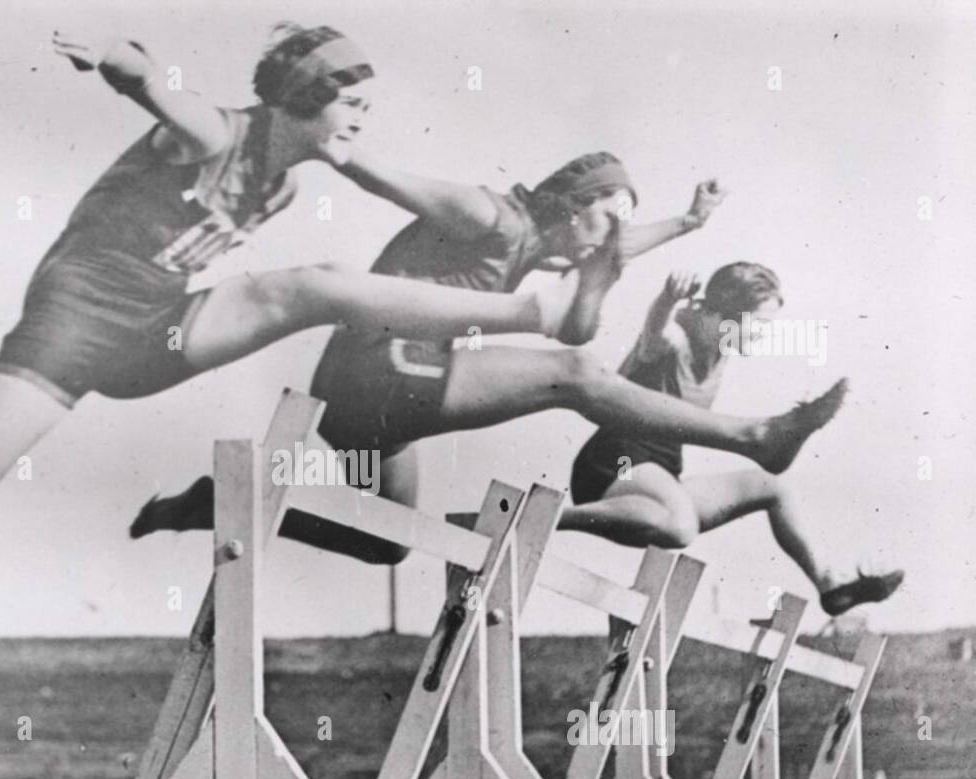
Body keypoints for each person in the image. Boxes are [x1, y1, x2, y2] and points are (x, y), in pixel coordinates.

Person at [0, 24, 602, 588]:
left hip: (162, 326)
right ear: (307, 101)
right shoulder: (218, 133)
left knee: (310, 289)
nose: (363, 122)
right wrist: (121, 63)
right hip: (73, 321)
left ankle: (525, 318)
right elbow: (155, 88)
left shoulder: (283, 190)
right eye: (353, 106)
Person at [131, 153, 847, 564]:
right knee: (575, 375)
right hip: (379, 370)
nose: (609, 246)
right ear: (571, 206)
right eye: (607, 221)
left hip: (371, 409)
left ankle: (217, 505)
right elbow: (394, 184)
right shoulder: (492, 215)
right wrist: (336, 148)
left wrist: (688, 224)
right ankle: (758, 437)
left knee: (388, 544)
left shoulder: (546, 240)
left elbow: (611, 249)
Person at [559, 263, 902, 615]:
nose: (763, 335)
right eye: (760, 324)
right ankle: (554, 515)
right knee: (680, 525)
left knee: (774, 486)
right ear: (728, 315)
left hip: (660, 472)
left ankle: (830, 583)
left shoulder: (720, 352)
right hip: (615, 463)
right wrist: (665, 300)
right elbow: (653, 335)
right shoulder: (678, 338)